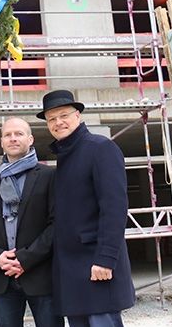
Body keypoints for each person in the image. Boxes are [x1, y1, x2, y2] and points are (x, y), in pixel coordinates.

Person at [38, 90, 135, 327]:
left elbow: (114, 208)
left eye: (64, 115)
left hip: (96, 264)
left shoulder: (100, 148)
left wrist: (106, 259)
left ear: (78, 116)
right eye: (51, 119)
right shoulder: (66, 155)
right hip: (73, 271)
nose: (58, 122)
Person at [0, 117, 63, 327]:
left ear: (30, 139)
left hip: (41, 275)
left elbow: (56, 225)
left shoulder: (49, 176)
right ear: (1, 141)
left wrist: (25, 258)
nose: (13, 138)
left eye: (19, 134)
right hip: (2, 276)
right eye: (8, 135)